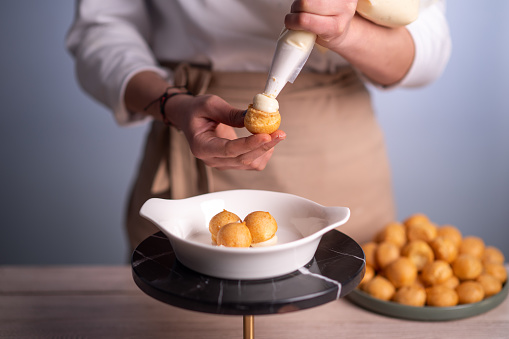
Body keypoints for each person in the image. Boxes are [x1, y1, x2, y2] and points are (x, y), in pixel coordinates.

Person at [66, 0, 451, 251]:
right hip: (185, 127)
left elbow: (429, 44)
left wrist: (346, 33)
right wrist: (175, 105)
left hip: (337, 154)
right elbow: (102, 29)